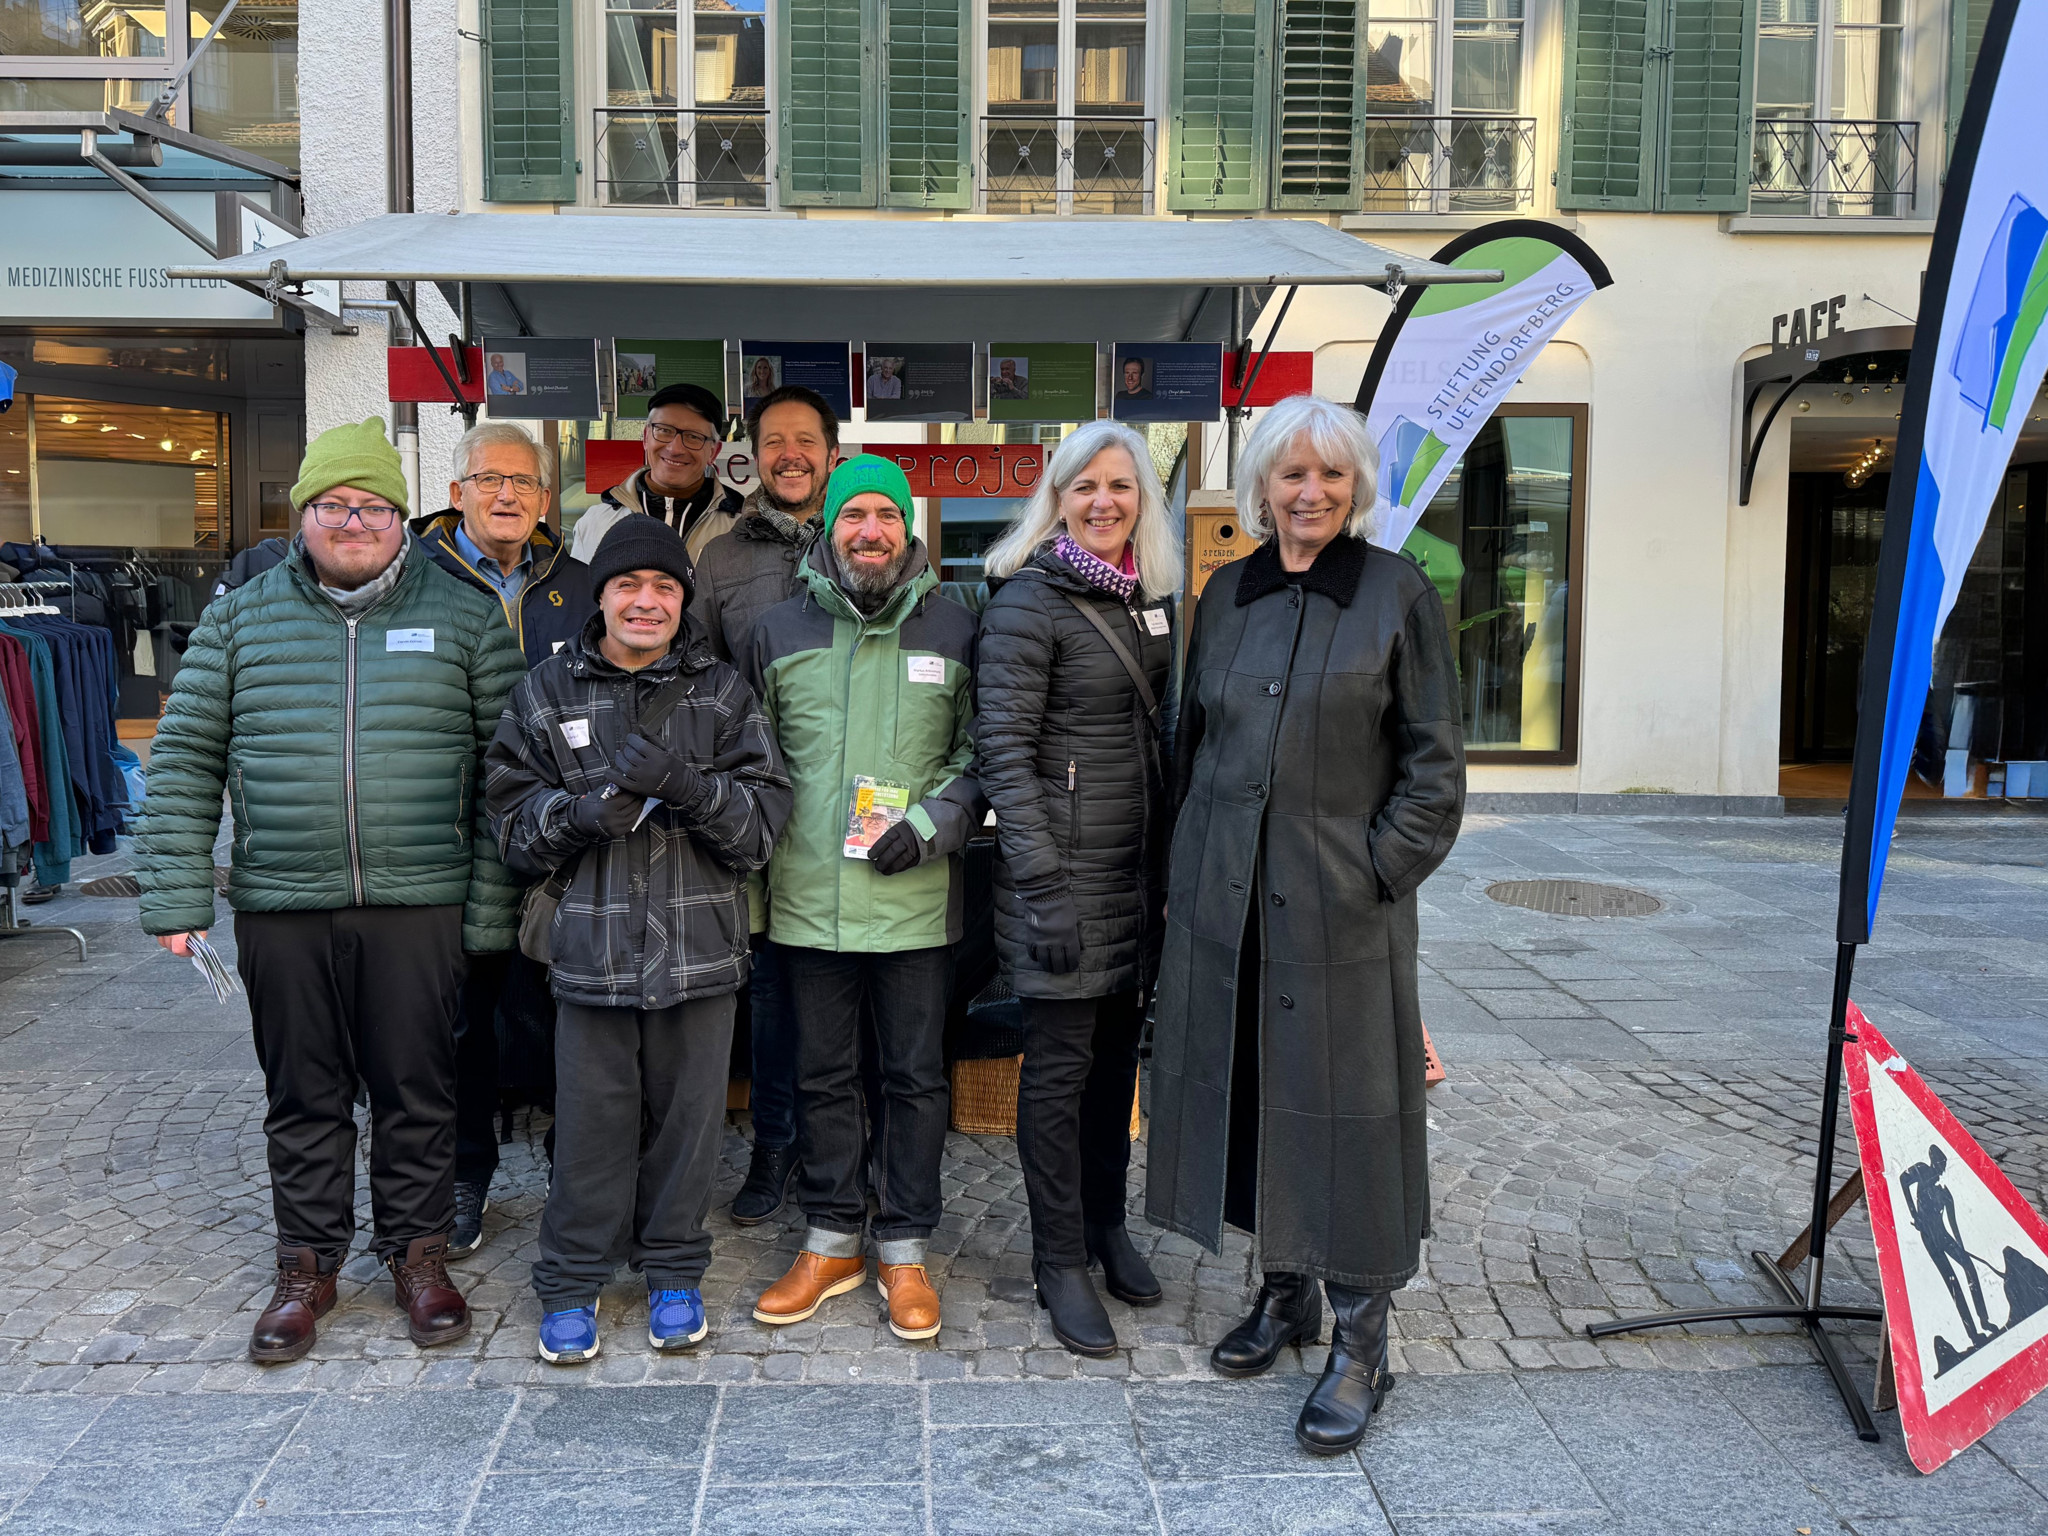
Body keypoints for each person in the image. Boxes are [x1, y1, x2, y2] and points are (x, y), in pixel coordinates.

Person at [134, 417, 527, 1364]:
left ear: (404, 517)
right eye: (333, 506)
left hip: (419, 902)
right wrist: (176, 893)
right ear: (303, 515)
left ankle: (419, 1258)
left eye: (373, 506)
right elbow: (185, 757)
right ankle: (305, 1267)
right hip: (283, 903)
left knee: (416, 1092)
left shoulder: (469, 616)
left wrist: (486, 911)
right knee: (303, 1096)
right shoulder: (240, 617)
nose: (353, 522)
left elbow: (507, 772)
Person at [1145, 393, 1464, 1454]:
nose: (1309, 492)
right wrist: (1187, 872)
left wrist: (1371, 871)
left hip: (1341, 910)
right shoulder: (1224, 594)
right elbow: (1192, 742)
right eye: (1291, 474)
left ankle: (1361, 1341)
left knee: (1350, 1118)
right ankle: (1285, 1294)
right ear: (1262, 486)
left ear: (1354, 486)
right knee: (1255, 1097)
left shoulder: (1396, 595)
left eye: (1329, 475)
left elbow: (1433, 771)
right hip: (1225, 900)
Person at [485, 514, 791, 1364]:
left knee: (689, 1128)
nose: (646, 601)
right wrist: (577, 815)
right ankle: (572, 1281)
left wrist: (689, 786)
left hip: (700, 951)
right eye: (629, 584)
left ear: (683, 600)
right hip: (588, 951)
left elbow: (763, 829)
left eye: (663, 587)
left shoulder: (723, 694)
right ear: (602, 595)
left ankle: (673, 1274)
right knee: (590, 1126)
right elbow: (509, 824)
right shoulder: (546, 695)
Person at [743, 456, 983, 1343]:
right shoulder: (776, 631)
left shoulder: (958, 628)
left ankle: (906, 1246)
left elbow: (982, 751)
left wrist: (931, 821)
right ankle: (832, 1237)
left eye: (887, 515)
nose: (871, 530)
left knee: (915, 1080)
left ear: (909, 530)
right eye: (855, 516)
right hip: (807, 900)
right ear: (829, 529)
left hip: (916, 897)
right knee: (823, 1077)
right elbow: (749, 759)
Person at [975, 421, 1183, 1358]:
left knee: (1113, 1071)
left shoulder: (1155, 602)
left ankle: (1106, 1225)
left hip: (1132, 882)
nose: (1105, 502)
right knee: (1058, 1079)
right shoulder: (1028, 602)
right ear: (1056, 497)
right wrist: (1042, 887)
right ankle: (1057, 1259)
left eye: (1123, 487)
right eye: (1085, 486)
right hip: (1058, 885)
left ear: (1144, 503)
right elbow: (1004, 758)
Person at [411, 422, 599, 1257]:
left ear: (545, 499)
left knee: (564, 1009)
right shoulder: (411, 579)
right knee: (463, 1019)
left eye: (525, 483)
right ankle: (465, 1172)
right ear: (456, 493)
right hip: (449, 837)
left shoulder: (582, 586)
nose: (508, 496)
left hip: (561, 839)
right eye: (489, 479)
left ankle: (575, 1162)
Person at [688, 383, 841, 1225]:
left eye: (805, 440)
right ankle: (775, 1144)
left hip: (849, 806)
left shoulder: (870, 534)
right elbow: (701, 680)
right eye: (774, 440)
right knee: (774, 989)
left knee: (842, 986)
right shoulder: (721, 555)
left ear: (831, 453)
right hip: (756, 812)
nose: (790, 454)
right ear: (754, 452)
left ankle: (837, 1150)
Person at [569, 382, 742, 565]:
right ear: (645, 437)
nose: (675, 449)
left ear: (713, 452)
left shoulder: (740, 528)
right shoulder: (595, 523)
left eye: (693, 437)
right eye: (664, 430)